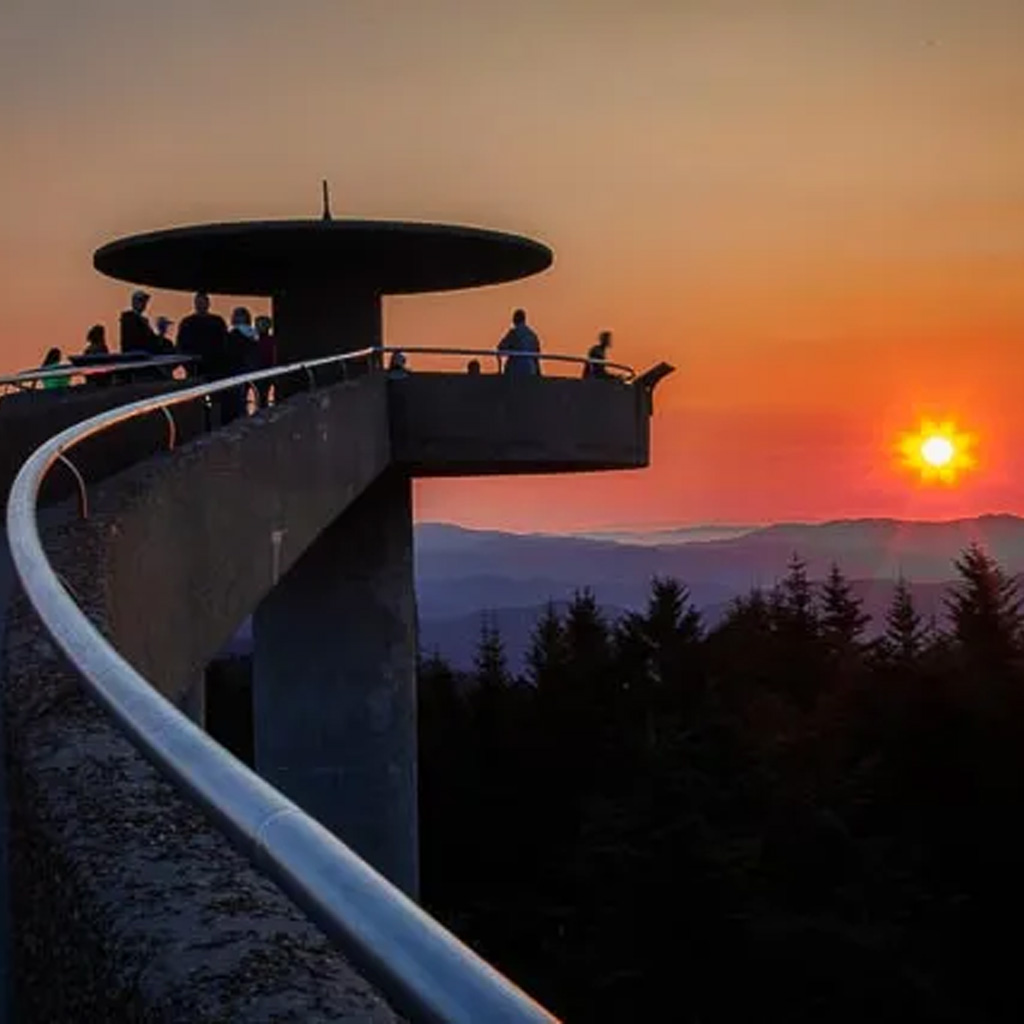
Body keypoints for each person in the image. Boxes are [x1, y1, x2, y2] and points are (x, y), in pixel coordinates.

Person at [219, 307, 257, 424]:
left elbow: (228, 354)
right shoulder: (254, 335)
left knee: (233, 404)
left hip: (234, 372)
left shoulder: (233, 335)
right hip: (248, 371)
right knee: (243, 400)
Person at [177, 292, 227, 379]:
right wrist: (188, 363)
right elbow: (180, 345)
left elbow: (224, 343)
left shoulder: (217, 321)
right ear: (195, 304)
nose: (200, 305)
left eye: (202, 302)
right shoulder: (187, 322)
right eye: (198, 303)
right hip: (193, 366)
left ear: (208, 304)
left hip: (215, 367)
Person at [497, 308, 541, 376]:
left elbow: (500, 348)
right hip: (531, 370)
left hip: (515, 370)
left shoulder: (513, 333)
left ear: (515, 320)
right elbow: (536, 358)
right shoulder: (532, 335)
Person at [119, 289, 159, 354]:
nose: (144, 304)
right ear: (134, 302)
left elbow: (152, 339)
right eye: (141, 300)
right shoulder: (129, 318)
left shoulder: (143, 320)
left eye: (145, 301)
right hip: (135, 356)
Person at [254, 314, 276, 407]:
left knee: (263, 396)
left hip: (266, 371)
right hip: (262, 371)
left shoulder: (269, 341)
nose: (258, 328)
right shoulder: (255, 342)